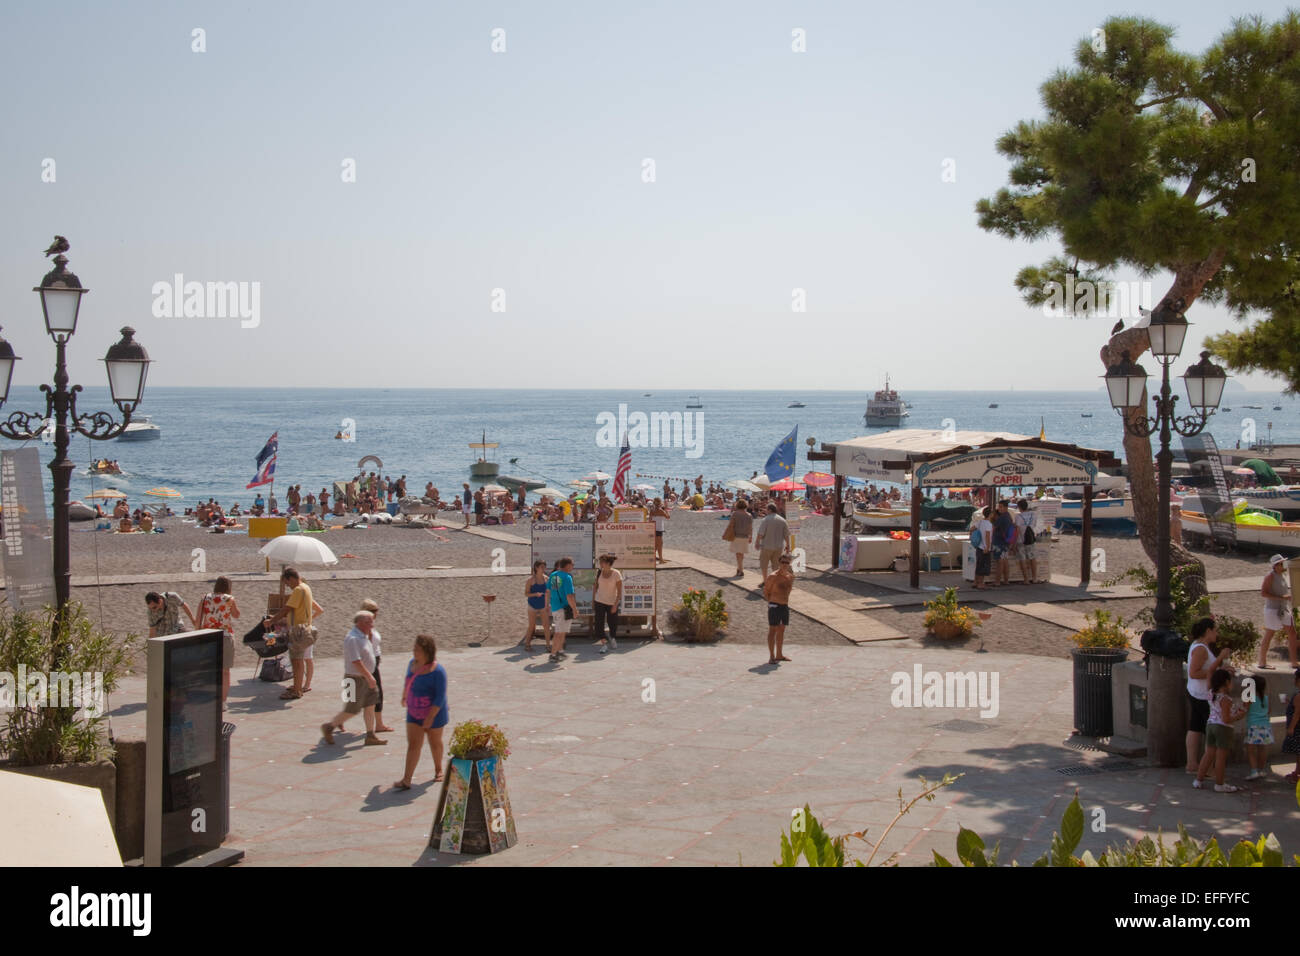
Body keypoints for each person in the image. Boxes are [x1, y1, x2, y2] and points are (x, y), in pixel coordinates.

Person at [320, 611, 386, 747]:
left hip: (366, 678)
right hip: (354, 679)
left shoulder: (363, 635)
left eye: (372, 621)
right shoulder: (353, 639)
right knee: (352, 709)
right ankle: (329, 726)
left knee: (370, 705)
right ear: (359, 623)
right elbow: (356, 661)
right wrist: (369, 677)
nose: (371, 624)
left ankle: (370, 735)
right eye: (368, 622)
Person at [393, 634, 449, 789]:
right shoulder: (412, 663)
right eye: (414, 648)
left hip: (435, 714)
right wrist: (405, 695)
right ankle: (407, 779)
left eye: (417, 649)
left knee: (435, 742)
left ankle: (438, 769)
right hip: (414, 712)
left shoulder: (438, 671)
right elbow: (408, 680)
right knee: (413, 744)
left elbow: (440, 697)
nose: (414, 652)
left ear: (427, 651)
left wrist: (430, 717)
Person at [265, 567, 324, 701]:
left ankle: (297, 691)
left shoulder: (298, 589)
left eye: (287, 583)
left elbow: (287, 609)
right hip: (305, 628)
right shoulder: (306, 587)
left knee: (296, 661)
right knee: (299, 661)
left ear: (290, 579)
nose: (288, 586)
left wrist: (272, 620)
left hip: (299, 630)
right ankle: (297, 686)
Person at [1185, 616, 1231, 774]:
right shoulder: (1201, 649)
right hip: (1203, 695)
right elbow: (1194, 673)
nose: (1217, 634)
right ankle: (1208, 769)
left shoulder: (1198, 646)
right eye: (1215, 630)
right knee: (1209, 731)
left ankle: (1192, 764)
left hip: (1196, 692)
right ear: (1208, 631)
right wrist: (1220, 668)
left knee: (1195, 727)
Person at [1193, 669, 1247, 792]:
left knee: (1208, 754)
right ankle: (1219, 784)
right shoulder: (1226, 699)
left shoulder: (1211, 693)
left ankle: (1198, 780)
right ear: (1227, 682)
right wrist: (1240, 715)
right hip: (1223, 729)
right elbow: (1226, 719)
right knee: (1221, 758)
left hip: (1210, 726)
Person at [197, 577, 241, 706]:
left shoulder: (205, 598)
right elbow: (236, 615)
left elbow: (198, 618)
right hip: (225, 635)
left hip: (208, 635)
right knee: (225, 671)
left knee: (210, 669)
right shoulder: (229, 599)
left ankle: (210, 699)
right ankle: (222, 702)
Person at [361, 598, 395, 733]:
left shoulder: (369, 624)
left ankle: (339, 721)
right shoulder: (366, 627)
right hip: (370, 664)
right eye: (375, 611)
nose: (377, 614)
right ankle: (378, 725)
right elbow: (366, 646)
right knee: (375, 695)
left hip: (373, 662)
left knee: (369, 696)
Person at [1258, 555, 1297, 669]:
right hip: (1272, 609)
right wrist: (1282, 598)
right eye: (1281, 563)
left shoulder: (1283, 575)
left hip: (1283, 608)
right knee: (1269, 634)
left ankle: (1294, 662)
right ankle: (1262, 662)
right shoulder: (1270, 576)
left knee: (1292, 633)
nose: (1284, 565)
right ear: (1276, 566)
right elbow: (1263, 593)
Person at [763, 554, 795, 665]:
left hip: (784, 605)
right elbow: (766, 591)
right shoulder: (773, 576)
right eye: (783, 562)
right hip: (774, 605)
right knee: (772, 630)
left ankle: (779, 655)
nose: (785, 565)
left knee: (781, 630)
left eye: (787, 562)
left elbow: (789, 590)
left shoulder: (790, 577)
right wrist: (771, 602)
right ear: (779, 563)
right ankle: (772, 656)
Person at [547, 557, 577, 664]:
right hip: (564, 608)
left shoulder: (554, 575)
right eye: (572, 564)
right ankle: (553, 654)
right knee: (559, 632)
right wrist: (575, 609)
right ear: (567, 565)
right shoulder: (567, 577)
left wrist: (548, 604)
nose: (573, 566)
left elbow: (551, 591)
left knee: (562, 631)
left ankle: (559, 651)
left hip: (556, 607)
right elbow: (569, 596)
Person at [1245, 673, 1273, 781]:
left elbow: (1245, 709)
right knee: (1262, 750)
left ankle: (1254, 771)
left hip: (1253, 726)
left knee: (1251, 750)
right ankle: (1261, 770)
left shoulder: (1249, 698)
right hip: (1265, 726)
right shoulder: (1265, 698)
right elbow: (1268, 711)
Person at [592, 553, 622, 654]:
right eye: (600, 562)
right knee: (598, 624)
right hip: (599, 601)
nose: (600, 564)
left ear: (608, 563)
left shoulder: (616, 573)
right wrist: (593, 600)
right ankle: (604, 643)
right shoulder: (599, 572)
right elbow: (595, 586)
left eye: (602, 562)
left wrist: (615, 604)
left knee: (612, 623)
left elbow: (620, 592)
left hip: (611, 602)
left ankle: (612, 638)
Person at [755, 502, 791, 580]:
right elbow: (786, 535)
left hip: (767, 546)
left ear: (770, 510)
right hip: (778, 546)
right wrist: (788, 545)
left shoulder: (766, 519)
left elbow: (760, 533)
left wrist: (757, 542)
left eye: (766, 509)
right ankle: (775, 580)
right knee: (776, 565)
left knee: (764, 564)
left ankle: (765, 580)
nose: (766, 511)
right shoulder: (782, 520)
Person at [523, 560, 551, 652]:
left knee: (546, 625)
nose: (543, 569)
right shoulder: (530, 580)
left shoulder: (547, 579)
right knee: (531, 626)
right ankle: (527, 644)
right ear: (536, 568)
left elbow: (548, 593)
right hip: (532, 605)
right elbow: (526, 594)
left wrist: (547, 605)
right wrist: (535, 594)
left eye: (544, 567)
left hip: (543, 605)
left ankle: (548, 645)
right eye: (541, 567)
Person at [722, 499, 754, 576]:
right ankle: (740, 568)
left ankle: (740, 569)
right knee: (741, 553)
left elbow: (731, 524)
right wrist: (751, 537)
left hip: (736, 535)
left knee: (738, 553)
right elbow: (750, 528)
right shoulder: (749, 515)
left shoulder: (735, 514)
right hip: (745, 536)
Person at [992, 501, 1015, 586]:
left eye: (1001, 507)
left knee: (1000, 562)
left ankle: (997, 581)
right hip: (1006, 541)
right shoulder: (1008, 516)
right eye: (999, 507)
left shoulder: (1002, 517)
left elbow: (993, 528)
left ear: (1006, 507)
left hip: (999, 541)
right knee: (1005, 561)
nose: (999, 508)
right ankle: (1006, 580)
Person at [1015, 499, 1038, 583]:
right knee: (1032, 558)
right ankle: (1034, 578)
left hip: (1021, 540)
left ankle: (1026, 579)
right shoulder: (1033, 514)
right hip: (1031, 539)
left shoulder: (1018, 516)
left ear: (1019, 507)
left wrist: (1013, 543)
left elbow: (1017, 530)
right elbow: (1034, 525)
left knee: (1023, 559)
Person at [1284, 669, 1300, 783]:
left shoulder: (1299, 695)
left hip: (1298, 727)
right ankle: (1297, 772)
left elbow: (1297, 713)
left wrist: (1291, 727)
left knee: (1299, 752)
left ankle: (1297, 774)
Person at [972, 507, 993, 590]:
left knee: (978, 564)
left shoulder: (980, 522)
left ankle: (975, 582)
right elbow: (988, 536)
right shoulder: (989, 524)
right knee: (984, 566)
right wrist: (987, 547)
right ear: (990, 514)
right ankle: (980, 583)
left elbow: (972, 529)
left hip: (979, 546)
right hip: (985, 547)